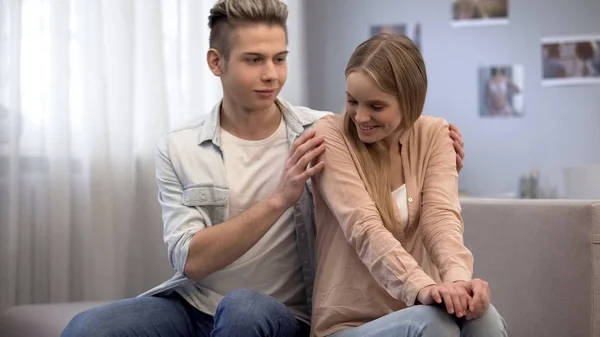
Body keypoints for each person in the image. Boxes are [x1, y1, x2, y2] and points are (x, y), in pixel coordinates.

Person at [61, 1, 467, 336]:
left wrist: (435, 155)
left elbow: (385, 181)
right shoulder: (179, 146)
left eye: (279, 58)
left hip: (283, 315)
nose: (271, 74)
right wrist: (278, 199)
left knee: (243, 309)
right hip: (197, 305)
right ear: (216, 62)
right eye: (254, 59)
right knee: (85, 329)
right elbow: (191, 260)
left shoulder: (324, 133)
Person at [309, 33, 507, 337]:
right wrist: (422, 286)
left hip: (422, 309)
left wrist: (457, 281)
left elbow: (441, 219)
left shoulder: (436, 135)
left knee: (484, 318)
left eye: (376, 106)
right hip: (349, 324)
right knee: (433, 324)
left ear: (410, 101)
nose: (360, 116)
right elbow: (364, 228)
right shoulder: (330, 137)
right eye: (352, 101)